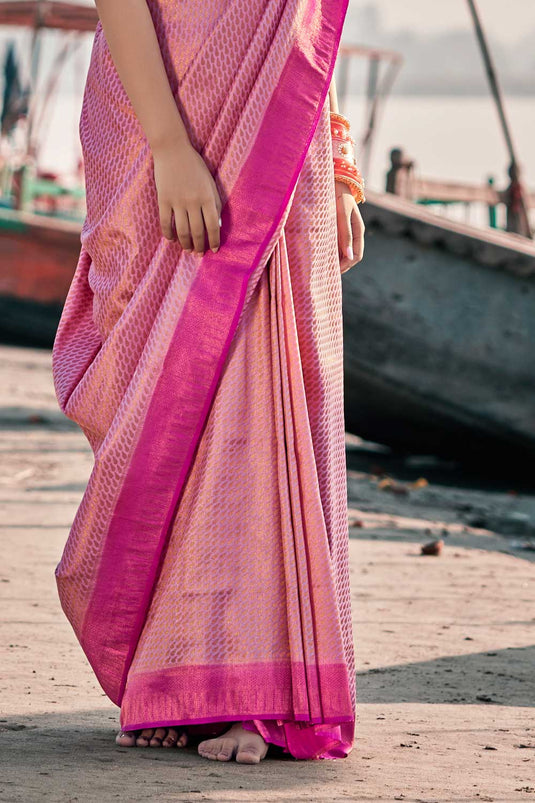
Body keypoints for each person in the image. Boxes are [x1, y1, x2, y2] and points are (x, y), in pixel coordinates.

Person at [51, 0, 365, 763]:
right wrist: (167, 147)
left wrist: (339, 156)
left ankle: (250, 687)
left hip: (279, 119)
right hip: (160, 108)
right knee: (162, 385)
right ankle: (174, 668)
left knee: (264, 394)